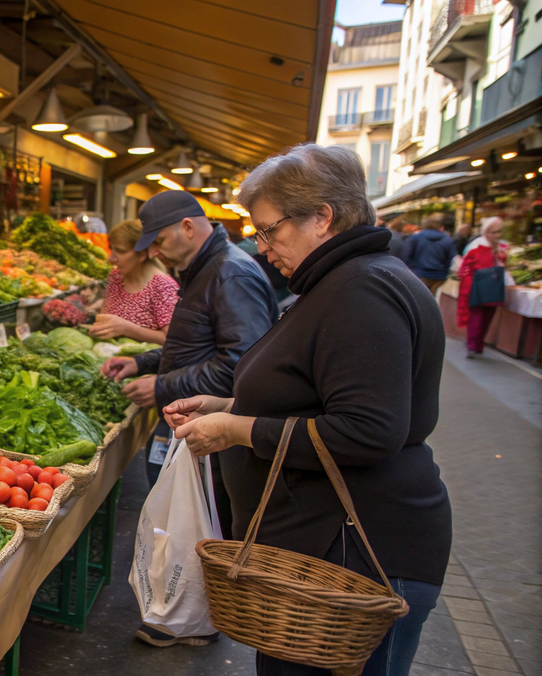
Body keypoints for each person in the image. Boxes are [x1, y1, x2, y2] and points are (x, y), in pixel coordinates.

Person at [167, 144, 451, 676]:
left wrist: (237, 427)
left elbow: (368, 430)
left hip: (357, 558)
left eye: (270, 230)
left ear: (322, 217)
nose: (264, 246)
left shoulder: (362, 290)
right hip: (326, 555)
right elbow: (320, 397)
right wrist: (230, 403)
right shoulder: (343, 282)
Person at [100, 190, 278, 649]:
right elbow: (193, 342)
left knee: (200, 519)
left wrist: (163, 386)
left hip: (214, 425)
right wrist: (143, 362)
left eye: (158, 242)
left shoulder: (230, 273)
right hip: (192, 418)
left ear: (187, 227)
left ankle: (195, 618)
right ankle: (183, 611)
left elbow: (242, 364)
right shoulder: (206, 271)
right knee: (183, 516)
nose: (154, 254)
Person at [84, 219, 179, 345]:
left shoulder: (163, 286)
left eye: (120, 251)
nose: (111, 258)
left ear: (142, 254)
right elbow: (105, 321)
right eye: (111, 249)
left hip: (147, 363)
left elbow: (174, 340)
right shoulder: (116, 278)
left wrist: (127, 329)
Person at [457, 217, 509, 357]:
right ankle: (472, 345)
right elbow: (465, 268)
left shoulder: (501, 247)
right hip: (477, 287)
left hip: (493, 287)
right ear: (488, 232)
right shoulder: (476, 247)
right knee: (476, 317)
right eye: (496, 232)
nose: (499, 235)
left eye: (500, 231)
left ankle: (478, 344)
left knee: (487, 316)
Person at [403, 213, 459, 294]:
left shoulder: (415, 237)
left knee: (419, 299)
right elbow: (451, 258)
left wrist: (412, 269)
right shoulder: (447, 239)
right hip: (439, 276)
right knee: (434, 299)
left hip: (419, 274)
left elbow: (406, 256)